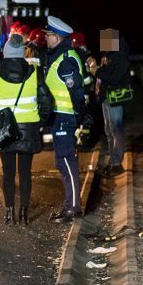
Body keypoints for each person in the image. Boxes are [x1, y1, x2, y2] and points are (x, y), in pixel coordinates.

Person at [0, 34, 53, 225]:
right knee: (25, 173)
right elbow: (47, 101)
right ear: (22, 53)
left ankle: (8, 212)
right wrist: (41, 122)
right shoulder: (33, 73)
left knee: (8, 173)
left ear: (5, 52)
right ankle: (24, 213)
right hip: (29, 129)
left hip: (5, 131)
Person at [44, 16, 87, 223]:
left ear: (57, 37)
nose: (46, 39)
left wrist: (78, 116)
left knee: (66, 162)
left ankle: (73, 207)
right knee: (62, 162)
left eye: (49, 35)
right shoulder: (60, 57)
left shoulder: (66, 60)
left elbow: (76, 92)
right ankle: (69, 205)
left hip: (65, 117)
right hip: (61, 117)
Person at [89, 28, 131, 176]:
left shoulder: (120, 56)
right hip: (107, 97)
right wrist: (96, 67)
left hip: (115, 98)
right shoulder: (109, 54)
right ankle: (113, 161)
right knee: (109, 131)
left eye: (104, 41)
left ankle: (117, 164)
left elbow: (115, 78)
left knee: (116, 130)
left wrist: (97, 71)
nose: (101, 44)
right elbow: (107, 74)